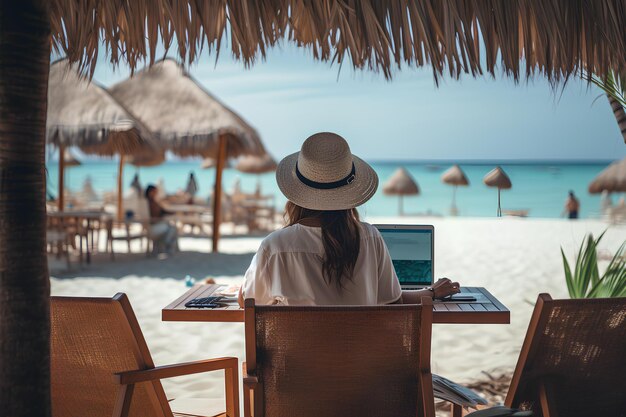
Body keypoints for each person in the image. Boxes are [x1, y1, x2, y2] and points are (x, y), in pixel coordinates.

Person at [239, 132, 460, 307]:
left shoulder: (275, 247)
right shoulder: (370, 237)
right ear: (349, 193)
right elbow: (393, 300)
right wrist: (431, 292)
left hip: (295, 365)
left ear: (296, 195)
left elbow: (248, 301)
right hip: (362, 364)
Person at [145, 185, 179, 253]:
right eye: (154, 192)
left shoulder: (153, 202)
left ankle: (166, 246)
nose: (156, 193)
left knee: (172, 227)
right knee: (172, 228)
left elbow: (163, 211)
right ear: (150, 192)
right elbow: (157, 214)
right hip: (154, 226)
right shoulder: (149, 203)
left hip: (156, 224)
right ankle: (167, 245)